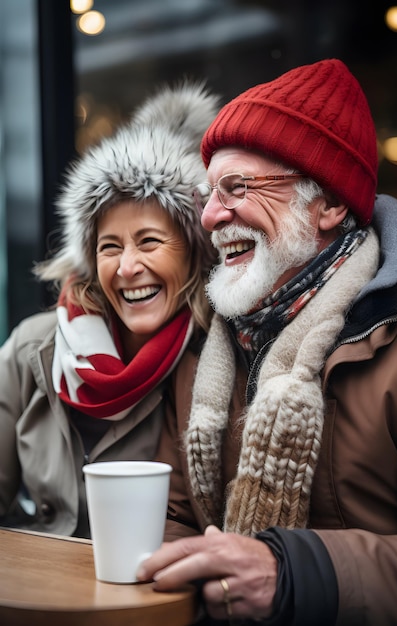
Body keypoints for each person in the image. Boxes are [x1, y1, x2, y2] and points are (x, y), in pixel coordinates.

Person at [138, 59, 397, 625]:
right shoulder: (202, 340)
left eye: (237, 188)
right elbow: (174, 516)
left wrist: (294, 576)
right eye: (209, 194)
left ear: (330, 206)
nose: (213, 217)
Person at [0, 82, 219, 538]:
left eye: (150, 242)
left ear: (195, 253)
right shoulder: (33, 347)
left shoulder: (217, 363)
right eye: (109, 246)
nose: (127, 267)